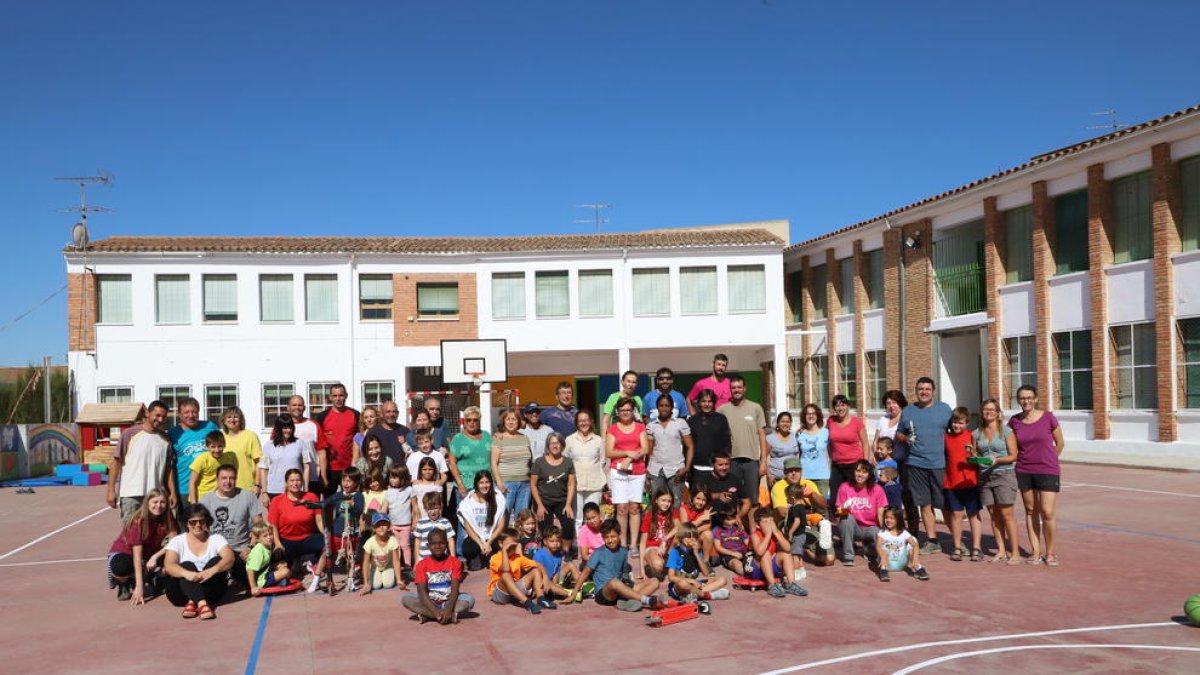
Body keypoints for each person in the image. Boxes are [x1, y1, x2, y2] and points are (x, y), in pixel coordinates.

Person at [1007, 384, 1065, 567]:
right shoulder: (1014, 422)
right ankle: (1035, 552)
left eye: (1029, 397)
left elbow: (1060, 442)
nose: (1026, 401)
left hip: (1048, 470)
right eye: (1022, 398)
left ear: (1036, 399)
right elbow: (1011, 446)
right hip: (1024, 470)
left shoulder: (1048, 417)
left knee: (1047, 511)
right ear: (1018, 400)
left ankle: (1050, 552)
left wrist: (1050, 459)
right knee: (1031, 511)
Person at [894, 377, 953, 554]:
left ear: (933, 391)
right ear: (916, 390)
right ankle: (932, 540)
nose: (924, 392)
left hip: (939, 464)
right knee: (925, 504)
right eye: (920, 389)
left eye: (927, 389)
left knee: (945, 505)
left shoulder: (944, 409)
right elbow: (899, 433)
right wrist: (905, 438)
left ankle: (957, 541)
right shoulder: (908, 411)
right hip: (916, 463)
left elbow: (955, 430)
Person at [200, 463, 266, 591]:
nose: (228, 482)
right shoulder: (206, 500)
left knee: (252, 584)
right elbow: (199, 530)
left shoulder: (247, 496)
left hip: (240, 551)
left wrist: (250, 547)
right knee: (212, 588)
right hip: (217, 552)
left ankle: (236, 576)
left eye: (231, 478)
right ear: (217, 479)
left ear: (236, 479)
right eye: (224, 478)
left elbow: (259, 526)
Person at [163, 503, 235, 620]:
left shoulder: (216, 538)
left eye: (201, 521)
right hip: (182, 595)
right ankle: (201, 603)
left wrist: (212, 571)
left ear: (207, 522)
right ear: (186, 523)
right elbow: (169, 565)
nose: (198, 525)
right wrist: (187, 574)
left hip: (211, 591)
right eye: (193, 522)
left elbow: (230, 557)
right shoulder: (177, 541)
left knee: (216, 560)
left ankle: (193, 601)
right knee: (186, 565)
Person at [573, 519, 662, 612]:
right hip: (604, 594)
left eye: (613, 536)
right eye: (606, 537)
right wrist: (574, 593)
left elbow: (624, 573)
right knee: (614, 582)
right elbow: (585, 573)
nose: (610, 540)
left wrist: (630, 582)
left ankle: (626, 601)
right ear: (603, 538)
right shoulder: (598, 552)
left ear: (619, 535)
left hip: (619, 589)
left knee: (655, 582)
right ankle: (646, 600)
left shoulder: (623, 551)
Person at [107, 400, 175, 519]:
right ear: (148, 413)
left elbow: (168, 469)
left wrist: (172, 492)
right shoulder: (129, 434)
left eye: (163, 417)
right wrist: (111, 490)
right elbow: (116, 463)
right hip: (131, 495)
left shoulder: (165, 439)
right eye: (157, 415)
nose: (160, 419)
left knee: (154, 534)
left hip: (155, 497)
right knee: (131, 534)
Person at [108, 488, 176, 604]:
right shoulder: (138, 522)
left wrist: (156, 556)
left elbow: (176, 542)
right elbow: (137, 557)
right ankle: (124, 582)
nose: (158, 506)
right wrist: (140, 587)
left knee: (175, 556)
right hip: (126, 554)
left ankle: (153, 577)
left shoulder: (167, 519)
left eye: (162, 502)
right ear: (147, 503)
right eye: (155, 502)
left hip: (149, 555)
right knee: (121, 567)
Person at [717, 375, 768, 526]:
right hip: (731, 461)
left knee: (752, 499)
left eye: (739, 387)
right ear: (730, 390)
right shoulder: (722, 410)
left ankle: (752, 531)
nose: (736, 390)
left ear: (744, 388)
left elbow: (762, 435)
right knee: (733, 498)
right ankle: (733, 530)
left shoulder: (755, 408)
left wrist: (763, 461)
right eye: (733, 388)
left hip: (751, 460)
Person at [974, 398, 1020, 564]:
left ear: (998, 413)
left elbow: (1014, 455)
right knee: (994, 515)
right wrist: (974, 458)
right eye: (985, 409)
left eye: (992, 409)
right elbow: (975, 454)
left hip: (1004, 474)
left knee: (1007, 515)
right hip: (985, 476)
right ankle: (1001, 550)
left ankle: (1014, 552)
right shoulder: (976, 433)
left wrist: (997, 460)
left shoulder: (1006, 432)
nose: (988, 412)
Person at [267, 469, 326, 593]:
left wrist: (325, 533)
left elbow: (319, 520)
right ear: (286, 483)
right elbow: (273, 526)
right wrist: (277, 543)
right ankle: (289, 570)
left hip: (307, 538)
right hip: (287, 540)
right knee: (277, 555)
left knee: (327, 542)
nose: (295, 483)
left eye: (298, 480)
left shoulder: (311, 497)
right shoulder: (277, 501)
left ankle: (314, 563)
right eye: (292, 480)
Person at [769, 456, 833, 566]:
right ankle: (798, 550)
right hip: (789, 524)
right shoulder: (778, 487)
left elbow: (823, 505)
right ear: (784, 472)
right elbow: (782, 512)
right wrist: (808, 518)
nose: (794, 473)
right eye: (790, 470)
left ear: (801, 471)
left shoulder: (808, 484)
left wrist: (812, 494)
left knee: (829, 560)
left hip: (809, 524)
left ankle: (806, 548)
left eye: (796, 470)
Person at [605, 396, 649, 549]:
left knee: (635, 507)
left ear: (633, 411)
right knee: (622, 508)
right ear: (618, 411)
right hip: (619, 473)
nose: (625, 412)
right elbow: (609, 452)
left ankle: (634, 544)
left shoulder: (640, 427)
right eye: (622, 410)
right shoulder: (612, 429)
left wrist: (629, 459)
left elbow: (645, 449)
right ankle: (623, 543)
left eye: (628, 410)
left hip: (637, 472)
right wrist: (628, 453)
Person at [403, 529, 474, 624]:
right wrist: (435, 612)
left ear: (446, 544)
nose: (438, 547)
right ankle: (445, 616)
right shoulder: (421, 565)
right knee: (406, 598)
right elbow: (422, 591)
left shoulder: (455, 563)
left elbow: (455, 589)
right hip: (430, 602)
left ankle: (429, 615)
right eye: (433, 544)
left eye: (442, 543)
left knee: (469, 600)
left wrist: (449, 608)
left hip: (450, 601)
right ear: (428, 546)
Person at [875, 390, 920, 535]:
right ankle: (890, 529)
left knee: (907, 497)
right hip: (886, 465)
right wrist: (875, 455)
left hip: (903, 463)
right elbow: (876, 440)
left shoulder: (905, 418)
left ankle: (913, 532)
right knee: (887, 498)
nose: (891, 406)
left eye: (894, 402)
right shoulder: (883, 419)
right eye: (888, 403)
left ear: (900, 403)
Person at [168, 397, 220, 518]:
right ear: (179, 414)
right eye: (186, 412)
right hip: (185, 488)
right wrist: (172, 491)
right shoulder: (174, 433)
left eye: (194, 412)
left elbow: (222, 447)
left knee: (212, 524)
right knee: (187, 525)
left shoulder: (209, 426)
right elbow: (169, 464)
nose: (191, 415)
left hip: (210, 487)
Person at [944, 406, 983, 562]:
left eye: (960, 423)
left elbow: (980, 456)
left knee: (974, 514)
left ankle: (976, 547)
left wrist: (975, 454)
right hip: (951, 482)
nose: (957, 425)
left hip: (970, 481)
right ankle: (958, 546)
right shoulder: (945, 438)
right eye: (955, 422)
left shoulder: (972, 437)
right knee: (956, 515)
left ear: (967, 423)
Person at [530, 432, 576, 553]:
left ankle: (566, 551)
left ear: (562, 445)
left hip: (562, 501)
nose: (555, 446)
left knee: (568, 525)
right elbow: (533, 485)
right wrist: (539, 505)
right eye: (552, 443)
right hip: (543, 501)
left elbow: (571, 484)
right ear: (548, 445)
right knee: (546, 529)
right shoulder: (539, 462)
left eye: (558, 443)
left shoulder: (568, 462)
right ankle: (548, 552)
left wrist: (568, 504)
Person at [835, 460, 887, 568]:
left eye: (864, 472)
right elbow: (838, 513)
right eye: (858, 471)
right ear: (853, 472)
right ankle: (848, 556)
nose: (860, 474)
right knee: (846, 518)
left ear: (869, 474)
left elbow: (880, 513)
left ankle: (874, 553)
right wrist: (843, 509)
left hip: (871, 528)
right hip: (854, 528)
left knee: (877, 545)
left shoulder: (877, 489)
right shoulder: (844, 487)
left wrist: (884, 532)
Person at [488, 528, 552, 613]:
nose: (511, 548)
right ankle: (528, 603)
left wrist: (545, 577)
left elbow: (539, 565)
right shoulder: (495, 558)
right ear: (501, 543)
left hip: (516, 593)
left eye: (514, 546)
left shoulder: (518, 558)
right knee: (506, 575)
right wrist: (504, 551)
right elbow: (506, 569)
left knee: (536, 571)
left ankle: (541, 599)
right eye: (509, 545)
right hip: (500, 593)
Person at [646, 394, 693, 506]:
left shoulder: (680, 423)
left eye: (667, 405)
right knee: (657, 503)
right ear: (657, 407)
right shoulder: (651, 426)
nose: (664, 408)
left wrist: (686, 468)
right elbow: (649, 450)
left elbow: (690, 446)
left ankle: (675, 524)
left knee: (676, 503)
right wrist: (646, 470)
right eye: (661, 405)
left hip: (676, 469)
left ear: (672, 407)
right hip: (655, 469)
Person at [749, 507, 807, 598]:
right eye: (765, 522)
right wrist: (768, 535)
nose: (769, 525)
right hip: (757, 570)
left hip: (770, 568)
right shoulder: (755, 535)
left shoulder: (776, 532)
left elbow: (788, 548)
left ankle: (790, 583)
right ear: (757, 525)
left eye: (771, 521)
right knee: (765, 553)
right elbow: (760, 552)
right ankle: (772, 585)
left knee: (786, 554)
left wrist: (776, 532)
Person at [257, 414, 314, 506]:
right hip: (274, 490)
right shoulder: (268, 446)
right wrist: (264, 492)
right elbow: (263, 469)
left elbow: (306, 467)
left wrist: (306, 490)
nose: (288, 430)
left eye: (290, 427)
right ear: (278, 429)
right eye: (284, 428)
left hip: (296, 490)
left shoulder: (300, 443)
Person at [314, 383, 359, 497]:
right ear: (330, 397)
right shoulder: (322, 417)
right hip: (329, 468)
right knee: (328, 503)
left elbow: (360, 439)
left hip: (349, 467)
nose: (338, 399)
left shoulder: (355, 415)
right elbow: (318, 443)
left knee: (350, 502)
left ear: (346, 396)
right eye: (335, 396)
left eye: (341, 395)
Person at [665, 522, 729, 601]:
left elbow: (706, 574)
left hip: (695, 584)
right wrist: (691, 581)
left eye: (694, 537)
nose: (691, 539)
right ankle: (707, 595)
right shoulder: (675, 552)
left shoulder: (697, 551)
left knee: (723, 579)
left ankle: (693, 595)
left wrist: (697, 555)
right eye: (688, 536)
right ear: (681, 537)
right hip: (679, 585)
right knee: (683, 584)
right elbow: (671, 577)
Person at [564, 409, 606, 529]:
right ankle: (578, 545)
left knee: (592, 518)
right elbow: (565, 461)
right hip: (576, 485)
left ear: (591, 422)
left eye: (586, 420)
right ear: (576, 423)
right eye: (580, 421)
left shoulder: (599, 440)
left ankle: (591, 545)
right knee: (577, 518)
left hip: (594, 484)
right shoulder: (569, 440)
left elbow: (602, 461)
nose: (584, 423)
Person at [459, 470, 507, 570]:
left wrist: (488, 542)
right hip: (476, 536)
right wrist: (481, 543)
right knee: (468, 549)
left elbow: (501, 525)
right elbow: (468, 527)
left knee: (503, 544)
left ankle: (492, 556)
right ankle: (476, 558)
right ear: (476, 484)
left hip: (492, 535)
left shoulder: (498, 498)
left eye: (487, 482)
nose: (485, 485)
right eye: (481, 482)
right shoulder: (467, 502)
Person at [827, 393, 870, 502]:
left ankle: (857, 517)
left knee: (854, 495)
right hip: (837, 465)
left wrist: (865, 463)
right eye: (837, 406)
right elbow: (824, 438)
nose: (840, 408)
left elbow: (865, 443)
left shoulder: (856, 422)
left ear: (848, 406)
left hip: (854, 464)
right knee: (834, 495)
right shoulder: (830, 421)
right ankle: (836, 517)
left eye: (843, 405)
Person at [329, 467, 367, 590]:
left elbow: (359, 510)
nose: (345, 483)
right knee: (330, 552)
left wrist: (353, 504)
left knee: (351, 555)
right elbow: (328, 503)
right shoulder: (338, 495)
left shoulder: (359, 496)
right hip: (338, 531)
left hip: (352, 532)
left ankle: (351, 577)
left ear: (356, 483)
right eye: (344, 480)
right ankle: (319, 575)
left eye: (349, 481)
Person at [687, 389, 731, 491]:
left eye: (709, 401)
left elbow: (727, 442)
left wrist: (723, 464)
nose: (706, 404)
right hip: (697, 468)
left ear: (713, 403)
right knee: (698, 498)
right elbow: (688, 445)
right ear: (698, 403)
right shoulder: (692, 421)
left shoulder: (721, 419)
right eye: (703, 401)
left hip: (716, 469)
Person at [492, 409, 533, 518]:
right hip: (506, 484)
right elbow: (494, 463)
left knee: (522, 518)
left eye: (514, 419)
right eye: (508, 419)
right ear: (503, 422)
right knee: (503, 516)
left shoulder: (525, 438)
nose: (511, 422)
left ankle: (520, 536)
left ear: (519, 422)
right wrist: (499, 483)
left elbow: (530, 461)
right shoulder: (498, 439)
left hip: (524, 484)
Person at [287, 395, 329, 493]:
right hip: (289, 479)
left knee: (311, 507)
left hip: (312, 478)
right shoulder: (282, 426)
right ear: (288, 407)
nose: (297, 408)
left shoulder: (313, 425)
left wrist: (323, 476)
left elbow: (321, 452)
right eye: (294, 405)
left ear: (304, 408)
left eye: (300, 405)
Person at [875, 506, 930, 582]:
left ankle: (918, 568)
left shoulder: (904, 533)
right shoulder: (882, 533)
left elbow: (915, 545)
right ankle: (883, 571)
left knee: (912, 542)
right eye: (886, 518)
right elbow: (878, 547)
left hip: (901, 564)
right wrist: (883, 558)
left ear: (899, 520)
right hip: (887, 563)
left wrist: (915, 558)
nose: (888, 520)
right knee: (883, 547)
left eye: (892, 518)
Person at [447, 406, 491, 502]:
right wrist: (460, 484)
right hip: (466, 486)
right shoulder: (458, 439)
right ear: (464, 421)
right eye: (469, 420)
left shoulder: (487, 436)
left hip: (485, 486)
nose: (472, 422)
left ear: (479, 421)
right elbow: (452, 463)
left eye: (475, 420)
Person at [219, 406, 263, 494]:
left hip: (246, 486)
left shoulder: (250, 436)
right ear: (223, 420)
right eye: (229, 417)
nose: (232, 420)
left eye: (235, 417)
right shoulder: (220, 437)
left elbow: (259, 462)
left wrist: (257, 485)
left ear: (241, 420)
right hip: (224, 487)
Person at [360, 513, 405, 595]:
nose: (381, 527)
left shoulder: (393, 540)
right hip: (375, 567)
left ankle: (392, 576)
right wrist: (366, 583)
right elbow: (366, 562)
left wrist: (399, 580)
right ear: (373, 528)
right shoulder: (370, 542)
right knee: (376, 585)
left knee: (388, 584)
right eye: (378, 525)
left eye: (384, 524)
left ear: (388, 526)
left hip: (388, 566)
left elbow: (396, 561)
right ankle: (374, 577)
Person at [638, 488, 677, 580]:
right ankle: (656, 563)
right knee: (658, 565)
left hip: (667, 548)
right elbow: (642, 544)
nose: (666, 504)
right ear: (656, 500)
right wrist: (641, 569)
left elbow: (679, 527)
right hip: (652, 547)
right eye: (663, 500)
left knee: (679, 535)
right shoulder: (649, 516)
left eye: (669, 501)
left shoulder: (673, 513)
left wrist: (664, 540)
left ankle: (667, 561)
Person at [188, 431, 238, 502]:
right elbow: (192, 482)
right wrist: (194, 503)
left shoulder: (229, 458)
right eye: (213, 447)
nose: (217, 450)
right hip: (203, 498)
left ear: (224, 445)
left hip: (221, 496)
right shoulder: (202, 459)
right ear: (207, 447)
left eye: (220, 446)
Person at [245, 521, 292, 596]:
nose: (269, 537)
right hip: (261, 580)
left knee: (283, 565)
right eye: (265, 536)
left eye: (270, 534)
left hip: (266, 571)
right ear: (258, 539)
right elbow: (250, 569)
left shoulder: (267, 546)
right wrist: (253, 587)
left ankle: (279, 582)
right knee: (286, 572)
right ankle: (277, 583)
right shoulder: (259, 550)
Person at [703, 452, 751, 525]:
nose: (724, 467)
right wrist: (718, 496)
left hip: (731, 522)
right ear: (713, 465)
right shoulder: (704, 480)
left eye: (726, 464)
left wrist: (738, 517)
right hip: (710, 523)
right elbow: (698, 499)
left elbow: (747, 502)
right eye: (720, 465)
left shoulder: (735, 479)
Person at [533, 526, 580, 599]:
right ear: (545, 541)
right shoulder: (539, 555)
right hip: (543, 582)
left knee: (570, 565)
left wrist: (558, 582)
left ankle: (581, 586)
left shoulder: (559, 553)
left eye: (557, 541)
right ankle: (571, 594)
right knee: (550, 583)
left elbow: (557, 572)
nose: (555, 543)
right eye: (552, 541)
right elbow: (537, 574)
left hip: (554, 580)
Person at [797, 403, 832, 501]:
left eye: (813, 413)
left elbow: (830, 454)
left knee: (822, 506)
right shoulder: (799, 434)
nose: (811, 416)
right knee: (807, 508)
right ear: (804, 416)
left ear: (818, 416)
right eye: (808, 414)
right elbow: (799, 455)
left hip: (822, 476)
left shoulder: (826, 433)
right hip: (805, 475)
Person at [384, 465, 415, 570]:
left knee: (405, 545)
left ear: (402, 478)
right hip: (393, 525)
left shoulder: (409, 490)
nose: (392, 480)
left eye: (395, 477)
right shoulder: (388, 492)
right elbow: (384, 508)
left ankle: (408, 566)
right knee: (396, 546)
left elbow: (414, 507)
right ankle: (397, 567)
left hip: (406, 524)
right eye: (390, 477)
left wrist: (415, 521)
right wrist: (384, 522)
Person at [365, 400, 411, 467]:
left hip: (400, 473)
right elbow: (367, 454)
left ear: (398, 413)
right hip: (379, 473)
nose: (391, 414)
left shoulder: (405, 431)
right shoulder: (373, 432)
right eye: (388, 412)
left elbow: (411, 453)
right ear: (381, 414)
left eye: (394, 412)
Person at [414, 492, 456, 563]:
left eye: (435, 508)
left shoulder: (445, 522)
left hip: (441, 559)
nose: (433, 512)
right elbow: (418, 541)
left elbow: (450, 540)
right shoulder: (421, 522)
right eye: (429, 509)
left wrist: (453, 558)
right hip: (424, 559)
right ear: (425, 509)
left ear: (441, 506)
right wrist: (416, 560)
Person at [711, 505, 751, 576]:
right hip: (728, 555)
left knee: (752, 564)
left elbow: (747, 542)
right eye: (729, 519)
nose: (733, 521)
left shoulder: (739, 528)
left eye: (734, 518)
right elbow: (718, 547)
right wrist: (733, 553)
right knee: (737, 565)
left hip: (744, 552)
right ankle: (747, 576)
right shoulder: (717, 530)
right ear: (722, 519)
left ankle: (754, 574)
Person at [766, 411, 801, 482]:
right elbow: (764, 458)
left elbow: (799, 454)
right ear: (778, 423)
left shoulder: (796, 436)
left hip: (792, 478)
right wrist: (769, 475)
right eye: (782, 421)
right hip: (775, 477)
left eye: (788, 422)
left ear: (791, 424)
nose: (785, 424)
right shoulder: (770, 438)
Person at [411, 457, 443, 521]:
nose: (427, 472)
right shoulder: (416, 485)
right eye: (424, 469)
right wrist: (416, 518)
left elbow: (440, 503)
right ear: (420, 470)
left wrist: (438, 519)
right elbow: (414, 503)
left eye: (430, 469)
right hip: (419, 517)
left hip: (434, 518)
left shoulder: (437, 486)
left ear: (434, 470)